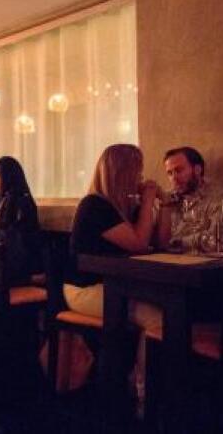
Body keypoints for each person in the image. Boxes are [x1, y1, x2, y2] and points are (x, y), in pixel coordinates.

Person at [65, 144, 162, 405]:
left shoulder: (121, 208)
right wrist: (149, 200)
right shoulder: (95, 205)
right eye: (138, 171)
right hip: (83, 290)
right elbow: (139, 244)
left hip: (113, 287)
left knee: (163, 308)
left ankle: (142, 387)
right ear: (124, 173)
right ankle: (143, 395)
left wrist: (162, 206)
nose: (142, 178)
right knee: (157, 318)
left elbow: (159, 241)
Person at [157, 146, 223, 252]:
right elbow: (155, 241)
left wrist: (176, 242)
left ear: (197, 170)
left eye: (179, 170)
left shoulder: (218, 196)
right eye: (170, 173)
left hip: (203, 260)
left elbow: (217, 239)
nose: (174, 178)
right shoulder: (167, 198)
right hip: (168, 259)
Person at [0, 156, 41, 285]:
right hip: (3, 253)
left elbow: (12, 231)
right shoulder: (1, 198)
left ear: (5, 177)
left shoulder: (21, 200)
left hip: (18, 261)